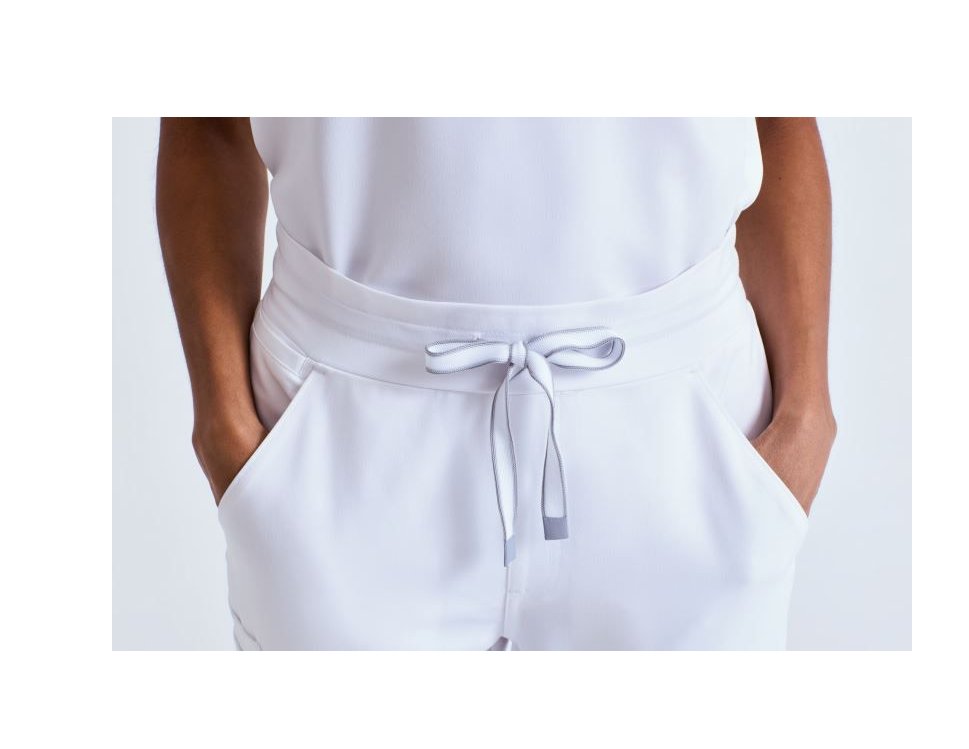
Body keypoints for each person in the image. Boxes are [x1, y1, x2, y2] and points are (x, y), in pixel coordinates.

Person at [156, 117, 836, 651]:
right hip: (343, 430)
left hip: (680, 430)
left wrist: (805, 415)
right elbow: (207, 121)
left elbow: (779, 116)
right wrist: (224, 425)